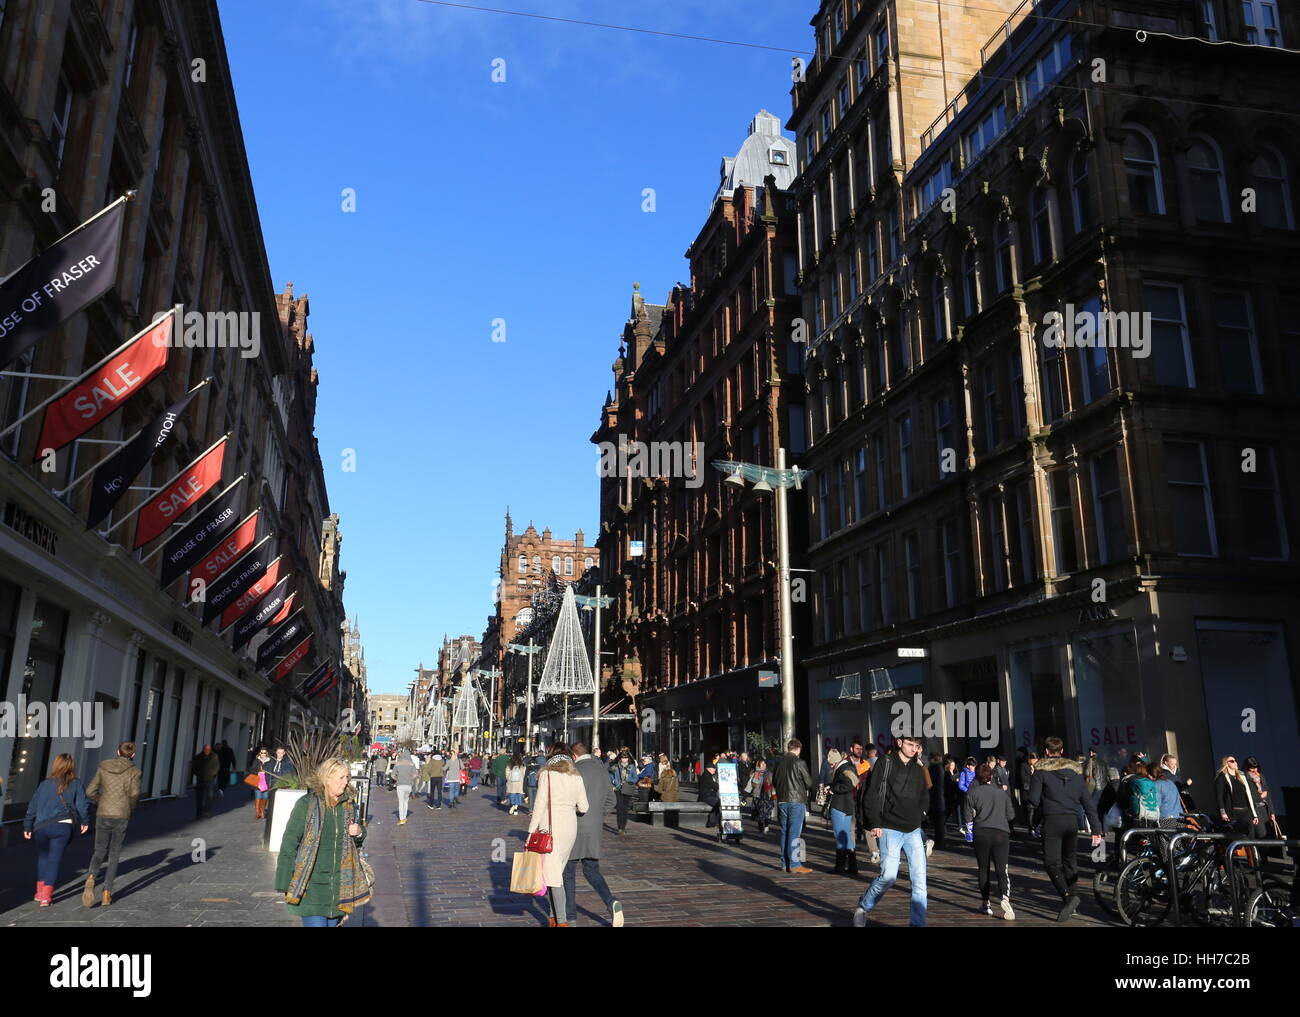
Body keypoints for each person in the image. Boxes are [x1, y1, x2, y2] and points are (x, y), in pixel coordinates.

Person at [274, 758, 369, 926]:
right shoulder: (307, 805)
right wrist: (284, 881)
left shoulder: (348, 806)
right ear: (327, 778)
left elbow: (356, 843)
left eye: (347, 777)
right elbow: (289, 843)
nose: (346, 782)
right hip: (311, 886)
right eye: (341, 778)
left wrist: (359, 832)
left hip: (340, 888)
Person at [852, 734, 931, 927]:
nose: (914, 749)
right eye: (910, 744)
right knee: (888, 876)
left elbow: (924, 795)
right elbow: (871, 793)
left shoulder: (918, 769)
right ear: (899, 743)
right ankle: (864, 905)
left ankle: (917, 924)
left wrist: (921, 814)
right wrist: (875, 823)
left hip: (913, 829)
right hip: (890, 828)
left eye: (917, 746)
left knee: (920, 881)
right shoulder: (885, 762)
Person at [1028, 735, 1102, 922]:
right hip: (1072, 820)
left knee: (1051, 862)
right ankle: (1073, 899)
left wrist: (1034, 815)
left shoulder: (1040, 772)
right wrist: (1096, 828)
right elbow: (1088, 803)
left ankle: (1068, 897)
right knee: (1070, 861)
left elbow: (1034, 800)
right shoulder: (1076, 774)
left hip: (1052, 820)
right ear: (1061, 751)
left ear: (1046, 752)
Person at [527, 744, 589, 927]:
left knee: (553, 877)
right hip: (570, 828)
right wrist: (569, 806)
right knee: (556, 873)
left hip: (550, 829)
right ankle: (553, 918)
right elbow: (584, 807)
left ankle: (561, 922)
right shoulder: (576, 775)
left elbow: (538, 805)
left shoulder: (547, 774)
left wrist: (531, 832)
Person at [563, 742, 624, 927]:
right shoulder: (601, 769)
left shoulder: (573, 770)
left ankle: (570, 917)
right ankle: (610, 901)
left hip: (574, 827)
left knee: (568, 872)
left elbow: (568, 801)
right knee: (591, 870)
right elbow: (611, 800)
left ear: (574, 755)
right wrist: (598, 814)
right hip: (595, 828)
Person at [23, 753, 90, 907]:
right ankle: (46, 897)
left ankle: (39, 893)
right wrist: (85, 821)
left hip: (41, 827)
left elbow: (33, 806)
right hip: (62, 827)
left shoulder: (44, 784)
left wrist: (27, 825)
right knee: (54, 860)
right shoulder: (76, 783)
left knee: (42, 858)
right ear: (71, 766)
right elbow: (82, 805)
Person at [82, 742, 142, 908]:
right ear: (133, 755)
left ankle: (92, 876)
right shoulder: (134, 771)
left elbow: (89, 792)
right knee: (114, 853)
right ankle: (107, 893)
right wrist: (129, 808)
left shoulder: (103, 767)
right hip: (121, 815)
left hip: (103, 813)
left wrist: (102, 801)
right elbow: (135, 793)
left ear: (117, 752)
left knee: (99, 849)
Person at [966, 763, 1016, 919]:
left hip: (981, 832)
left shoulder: (972, 793)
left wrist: (970, 830)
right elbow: (1011, 816)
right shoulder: (1001, 793)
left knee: (983, 869)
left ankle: (986, 903)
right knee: (1002, 869)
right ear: (992, 776)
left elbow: (968, 817)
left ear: (977, 777)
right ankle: (1005, 898)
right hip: (1001, 832)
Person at [771, 738, 814, 874]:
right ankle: (795, 864)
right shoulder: (799, 762)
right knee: (795, 832)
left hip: (782, 800)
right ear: (798, 749)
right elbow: (809, 782)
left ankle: (785, 863)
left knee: (784, 832)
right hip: (796, 800)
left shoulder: (779, 762)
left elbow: (774, 781)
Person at [826, 749, 861, 875]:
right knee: (846, 835)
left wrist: (833, 790)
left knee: (840, 835)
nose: (830, 765)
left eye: (831, 763)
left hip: (839, 805)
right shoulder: (848, 766)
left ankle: (839, 866)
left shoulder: (842, 769)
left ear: (836, 761)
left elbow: (849, 784)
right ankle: (853, 865)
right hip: (847, 806)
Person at [1216, 756, 1262, 836]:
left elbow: (1248, 795)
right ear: (1226, 764)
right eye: (1232, 761)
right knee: (1238, 839)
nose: (1235, 762)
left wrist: (1254, 814)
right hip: (1233, 813)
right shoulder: (1222, 777)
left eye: (1236, 760)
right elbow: (1219, 796)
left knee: (1251, 838)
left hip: (1246, 812)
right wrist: (1223, 813)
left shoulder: (1242, 776)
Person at [1243, 757, 1278, 840]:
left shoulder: (1261, 776)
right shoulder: (1244, 777)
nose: (1254, 770)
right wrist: (1260, 797)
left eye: (1256, 767)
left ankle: (1269, 852)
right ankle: (1262, 852)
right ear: (1247, 767)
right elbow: (1247, 795)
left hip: (1265, 808)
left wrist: (1272, 812)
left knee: (1270, 833)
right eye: (1252, 768)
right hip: (1255, 809)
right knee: (1261, 833)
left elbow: (1268, 795)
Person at [611, 749, 639, 834]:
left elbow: (636, 778)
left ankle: (623, 826)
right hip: (618, 789)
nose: (624, 759)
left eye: (626, 758)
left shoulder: (632, 767)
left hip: (627, 788)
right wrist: (614, 781)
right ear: (620, 758)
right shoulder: (615, 766)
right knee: (619, 808)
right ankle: (620, 827)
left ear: (628, 758)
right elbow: (610, 775)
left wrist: (629, 780)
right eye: (622, 758)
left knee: (625, 808)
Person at [191, 744, 221, 818]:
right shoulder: (198, 757)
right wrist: (198, 774)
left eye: (208, 749)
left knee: (210, 795)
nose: (207, 751)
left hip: (210, 779)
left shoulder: (214, 756)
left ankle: (207, 811)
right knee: (199, 796)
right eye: (206, 749)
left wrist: (213, 774)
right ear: (203, 749)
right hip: (200, 779)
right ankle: (199, 812)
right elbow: (194, 767)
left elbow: (217, 766)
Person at [745, 758, 773, 835]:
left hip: (767, 796)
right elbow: (749, 784)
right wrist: (745, 795)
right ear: (758, 765)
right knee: (759, 813)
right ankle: (761, 827)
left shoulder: (769, 773)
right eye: (762, 764)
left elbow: (773, 784)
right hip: (757, 796)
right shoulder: (755, 774)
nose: (764, 765)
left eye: (765, 764)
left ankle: (766, 826)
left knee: (767, 812)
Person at [927, 753, 947, 851]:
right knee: (940, 823)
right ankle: (941, 842)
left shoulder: (934, 768)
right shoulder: (941, 768)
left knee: (938, 823)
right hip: (940, 798)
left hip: (936, 798)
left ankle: (940, 842)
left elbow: (930, 784)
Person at [392, 751, 417, 825]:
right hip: (409, 785)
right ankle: (405, 816)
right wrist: (410, 778)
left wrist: (397, 779)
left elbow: (392, 775)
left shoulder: (398, 763)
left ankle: (401, 818)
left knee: (401, 802)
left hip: (400, 785)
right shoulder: (412, 764)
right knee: (406, 801)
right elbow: (415, 775)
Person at [957, 757, 978, 842]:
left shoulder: (975, 772)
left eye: (974, 766)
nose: (973, 768)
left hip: (976, 795)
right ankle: (970, 834)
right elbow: (960, 785)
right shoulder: (964, 772)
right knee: (968, 814)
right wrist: (968, 791)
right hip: (968, 796)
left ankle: (975, 832)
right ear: (968, 766)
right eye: (972, 766)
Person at [250, 746, 273, 820]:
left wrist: (266, 773)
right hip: (258, 782)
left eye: (264, 753)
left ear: (267, 753)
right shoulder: (256, 761)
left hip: (266, 782)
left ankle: (262, 810)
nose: (263, 754)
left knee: (265, 797)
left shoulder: (270, 761)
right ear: (259, 753)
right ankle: (257, 812)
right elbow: (252, 770)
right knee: (258, 797)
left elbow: (272, 771)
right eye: (261, 752)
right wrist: (258, 772)